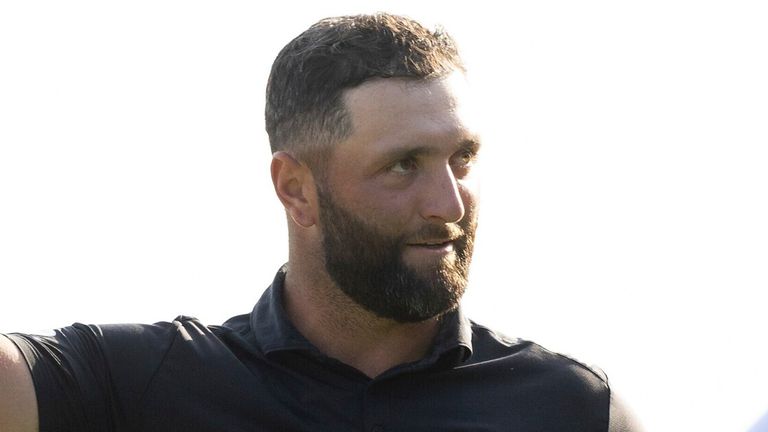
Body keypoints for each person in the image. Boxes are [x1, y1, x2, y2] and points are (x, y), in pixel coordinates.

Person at [0, 13, 643, 431]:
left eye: (462, 159)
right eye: (403, 165)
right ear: (295, 189)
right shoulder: (146, 384)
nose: (448, 204)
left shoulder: (574, 410)